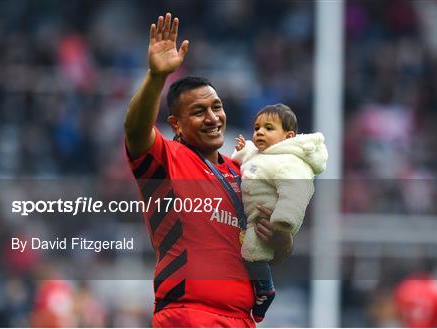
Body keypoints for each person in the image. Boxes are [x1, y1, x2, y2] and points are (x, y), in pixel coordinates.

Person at [123, 13, 293, 327]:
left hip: (242, 320)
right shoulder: (165, 160)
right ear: (175, 124)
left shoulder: (243, 175)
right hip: (188, 315)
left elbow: (273, 247)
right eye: (199, 112)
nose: (213, 118)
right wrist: (156, 78)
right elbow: (135, 131)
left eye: (216, 107)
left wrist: (280, 240)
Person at [232, 104, 327, 321]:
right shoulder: (259, 153)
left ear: (288, 136)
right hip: (251, 217)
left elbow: (295, 190)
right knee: (250, 253)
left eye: (268, 128)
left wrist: (284, 220)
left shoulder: (290, 162)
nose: (260, 133)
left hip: (265, 220)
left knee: (253, 253)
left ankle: (265, 289)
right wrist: (241, 149)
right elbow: (249, 155)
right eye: (256, 128)